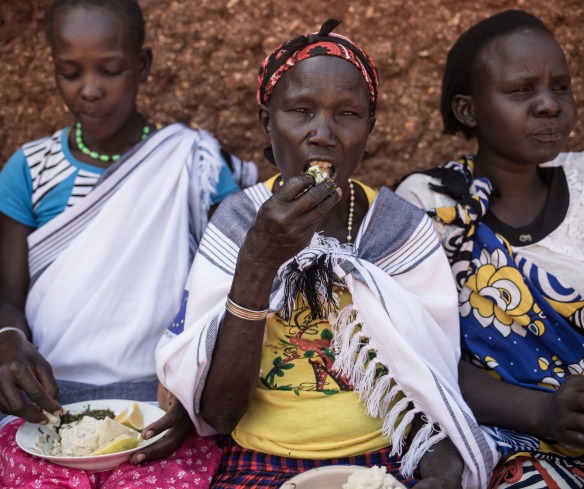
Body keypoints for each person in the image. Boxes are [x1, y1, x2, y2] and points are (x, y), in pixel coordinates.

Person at [156, 19, 498, 489]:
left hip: (386, 459)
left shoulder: (399, 229)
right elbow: (217, 412)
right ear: (266, 122)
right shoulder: (236, 223)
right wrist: (259, 261)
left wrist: (440, 469)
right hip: (258, 459)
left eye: (348, 114)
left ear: (369, 129)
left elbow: (430, 384)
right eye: (300, 110)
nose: (323, 133)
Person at [0, 0, 256, 487]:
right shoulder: (30, 170)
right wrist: (7, 342)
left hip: (158, 399)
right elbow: (7, 296)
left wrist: (193, 393)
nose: (90, 90)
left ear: (142, 65)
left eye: (111, 69)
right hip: (47, 398)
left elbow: (230, 289)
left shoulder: (193, 165)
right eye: (69, 72)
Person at [395, 9, 584, 488]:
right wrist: (543, 412)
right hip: (510, 442)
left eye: (560, 86)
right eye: (522, 90)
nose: (549, 105)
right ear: (468, 110)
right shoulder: (428, 204)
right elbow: (417, 358)